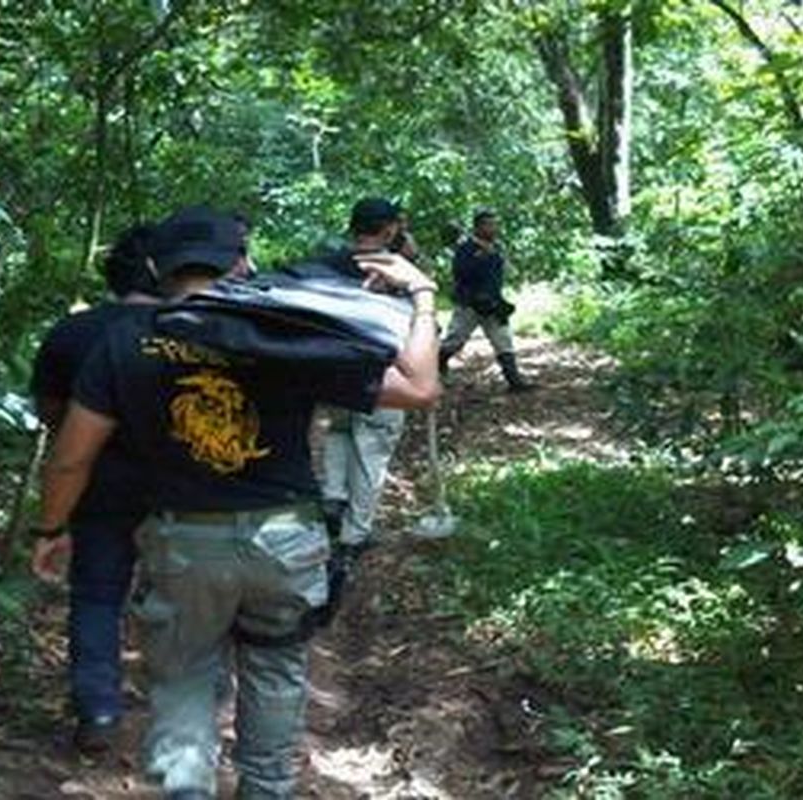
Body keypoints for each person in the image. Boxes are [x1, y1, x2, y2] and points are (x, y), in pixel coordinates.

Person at [30, 206, 441, 800]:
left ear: (155, 267)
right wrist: (422, 298)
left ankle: (187, 788)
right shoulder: (284, 327)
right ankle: (267, 790)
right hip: (286, 539)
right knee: (275, 672)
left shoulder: (125, 341)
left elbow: (71, 456)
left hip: (184, 543)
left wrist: (51, 528)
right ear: (241, 262)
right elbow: (421, 387)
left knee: (182, 675)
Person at [29, 223, 161, 754]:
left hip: (96, 483)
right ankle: (188, 707)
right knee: (182, 593)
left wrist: (51, 521)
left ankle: (98, 708)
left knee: (98, 594)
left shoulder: (73, 332)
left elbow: (50, 413)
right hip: (180, 485)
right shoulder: (196, 329)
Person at [292, 197, 412, 558]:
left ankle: (333, 501)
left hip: (335, 374)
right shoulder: (398, 270)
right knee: (371, 452)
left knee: (340, 434)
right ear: (389, 229)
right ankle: (354, 536)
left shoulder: (324, 267)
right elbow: (417, 321)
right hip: (381, 376)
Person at [439, 209, 535, 392]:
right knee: (455, 340)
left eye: (495, 224)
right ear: (478, 227)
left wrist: (493, 257)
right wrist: (481, 258)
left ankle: (514, 381)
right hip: (469, 304)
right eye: (489, 224)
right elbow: (460, 273)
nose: (493, 228)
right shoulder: (465, 249)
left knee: (503, 340)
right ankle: (438, 363)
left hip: (493, 304)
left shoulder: (496, 248)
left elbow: (499, 274)